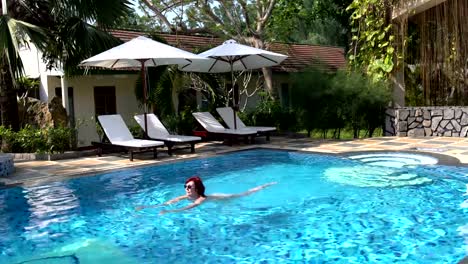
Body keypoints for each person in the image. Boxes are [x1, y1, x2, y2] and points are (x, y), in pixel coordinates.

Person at [135, 176, 277, 215]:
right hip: (215, 199)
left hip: (222, 198)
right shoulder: (187, 196)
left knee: (243, 194)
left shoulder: (201, 199)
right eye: (185, 186)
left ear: (197, 188)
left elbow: (190, 208)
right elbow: (170, 201)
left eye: (189, 187)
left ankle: (264, 186)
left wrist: (171, 211)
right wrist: (148, 206)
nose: (186, 189)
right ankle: (264, 185)